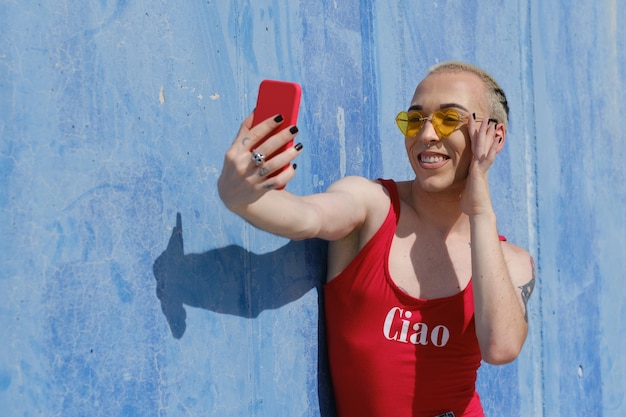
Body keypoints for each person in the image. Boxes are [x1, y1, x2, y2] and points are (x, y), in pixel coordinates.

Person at [218, 61, 536, 417]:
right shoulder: (372, 206)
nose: (427, 134)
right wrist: (242, 198)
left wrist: (480, 212)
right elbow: (306, 217)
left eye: (449, 119)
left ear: (494, 136)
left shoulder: (511, 262)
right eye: (414, 120)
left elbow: (500, 347)